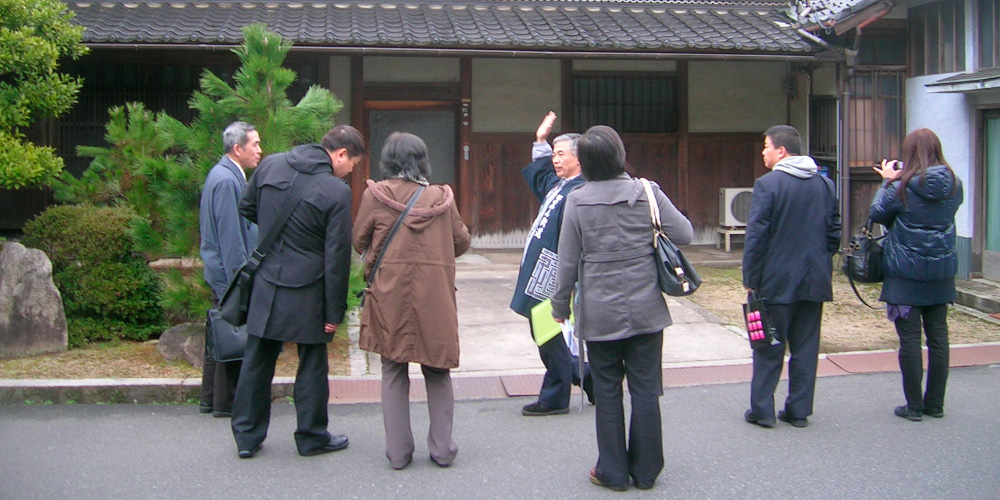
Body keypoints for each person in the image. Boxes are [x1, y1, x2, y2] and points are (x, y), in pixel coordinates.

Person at [552, 125, 693, 491]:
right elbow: (686, 234)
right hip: (647, 306)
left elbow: (567, 262)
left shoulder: (577, 200)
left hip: (599, 311)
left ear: (584, 162)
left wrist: (559, 306)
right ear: (619, 154)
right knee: (646, 389)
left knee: (609, 390)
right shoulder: (646, 191)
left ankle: (612, 471)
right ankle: (646, 471)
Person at [230, 125, 364, 459]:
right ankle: (311, 436)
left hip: (267, 278)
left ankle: (246, 437)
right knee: (313, 363)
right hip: (308, 286)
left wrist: (279, 235)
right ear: (341, 154)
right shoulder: (336, 191)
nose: (351, 171)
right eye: (353, 164)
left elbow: (246, 207)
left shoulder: (272, 164)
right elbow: (336, 257)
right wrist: (335, 313)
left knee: (258, 359)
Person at [353, 132, 471, 470]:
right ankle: (442, 449)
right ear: (422, 161)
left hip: (389, 292)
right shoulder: (441, 198)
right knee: (437, 369)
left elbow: (358, 239)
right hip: (435, 294)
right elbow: (461, 242)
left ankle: (399, 452)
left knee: (392, 368)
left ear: (387, 161)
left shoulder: (376, 195)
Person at [742, 125, 841, 429]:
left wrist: (751, 277)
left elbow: (757, 236)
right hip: (814, 278)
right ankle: (798, 411)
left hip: (776, 279)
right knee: (806, 348)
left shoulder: (768, 185)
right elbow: (834, 232)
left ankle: (763, 410)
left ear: (781, 151)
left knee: (769, 345)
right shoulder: (825, 185)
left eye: (766, 146)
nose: (763, 152)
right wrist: (821, 259)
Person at [869, 128, 963, 421]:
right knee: (938, 338)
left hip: (905, 272)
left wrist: (886, 181)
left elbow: (877, 214)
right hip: (940, 270)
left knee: (909, 340)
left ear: (908, 153)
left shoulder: (902, 188)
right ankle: (935, 403)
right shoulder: (954, 186)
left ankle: (914, 406)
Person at [510, 111, 592, 417]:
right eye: (554, 154)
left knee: (547, 332)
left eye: (561, 154)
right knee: (545, 331)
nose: (555, 160)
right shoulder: (561, 185)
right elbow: (541, 174)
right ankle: (589, 379)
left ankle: (556, 395)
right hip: (541, 266)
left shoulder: (581, 189)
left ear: (579, 158)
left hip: (556, 269)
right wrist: (541, 140)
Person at [198, 121, 261, 418]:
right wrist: (240, 280)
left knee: (219, 333)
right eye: (255, 145)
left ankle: (210, 398)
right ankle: (226, 402)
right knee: (231, 334)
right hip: (228, 273)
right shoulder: (226, 180)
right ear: (238, 149)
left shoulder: (225, 175)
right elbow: (231, 238)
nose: (260, 151)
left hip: (221, 271)